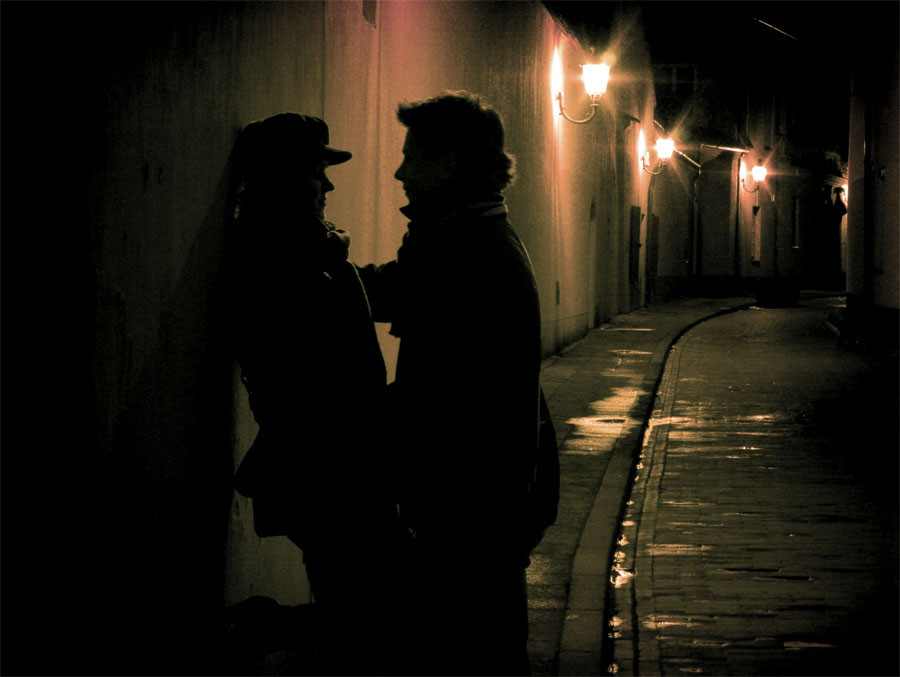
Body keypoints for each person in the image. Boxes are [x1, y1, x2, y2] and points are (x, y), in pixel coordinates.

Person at [359, 92, 559, 676]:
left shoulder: (465, 251)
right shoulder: (468, 238)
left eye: (410, 157)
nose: (399, 173)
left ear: (447, 161)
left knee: (470, 648)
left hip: (471, 505)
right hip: (485, 499)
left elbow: (446, 397)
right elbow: (401, 290)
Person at [228, 112, 408, 675]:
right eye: (314, 171)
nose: (326, 184)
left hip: (345, 465)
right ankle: (259, 628)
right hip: (328, 470)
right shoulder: (278, 254)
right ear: (276, 177)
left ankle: (266, 629)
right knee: (371, 612)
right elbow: (305, 376)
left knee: (367, 608)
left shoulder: (310, 248)